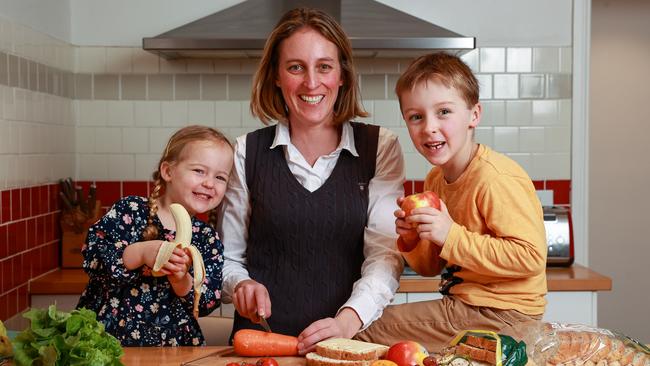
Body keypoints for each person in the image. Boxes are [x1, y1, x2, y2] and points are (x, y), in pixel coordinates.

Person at [218, 7, 405, 353]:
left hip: (350, 345)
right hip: (263, 344)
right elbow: (229, 257)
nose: (311, 83)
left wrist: (347, 321)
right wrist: (240, 284)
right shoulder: (247, 151)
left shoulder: (380, 147)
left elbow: (385, 255)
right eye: (295, 67)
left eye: (324, 66)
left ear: (342, 75)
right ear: (275, 75)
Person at [355, 52, 547, 351]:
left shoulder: (495, 177)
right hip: (468, 308)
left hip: (504, 317)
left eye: (443, 112)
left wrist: (449, 233)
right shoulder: (435, 180)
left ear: (474, 114)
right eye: (416, 117)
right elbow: (433, 267)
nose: (429, 127)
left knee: (363, 329)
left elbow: (530, 257)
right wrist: (412, 240)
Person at [77, 125, 234, 346]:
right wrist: (142, 252)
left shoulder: (207, 237)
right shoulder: (130, 210)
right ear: (168, 171)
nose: (209, 183)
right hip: (108, 342)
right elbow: (94, 258)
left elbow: (208, 301)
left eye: (220, 177)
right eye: (199, 171)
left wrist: (181, 279)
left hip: (172, 347)